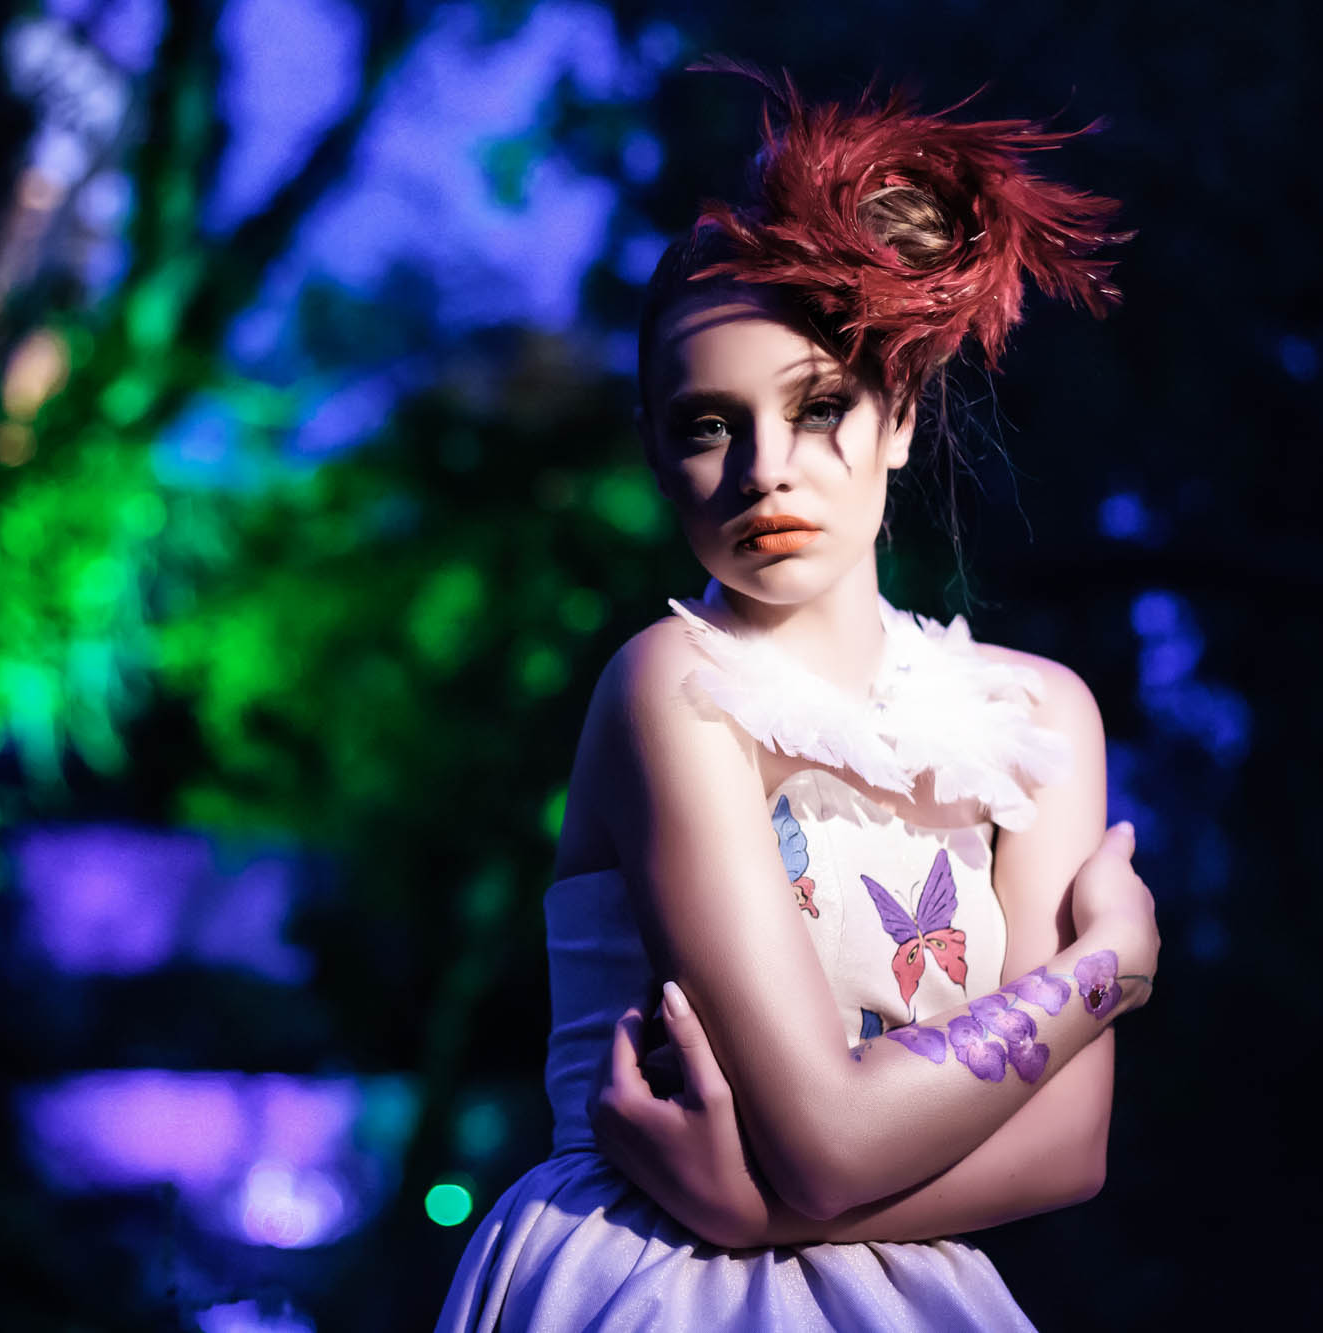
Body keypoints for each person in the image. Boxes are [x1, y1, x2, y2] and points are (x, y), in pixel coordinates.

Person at [436, 68, 1160, 1332]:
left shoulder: (1042, 718)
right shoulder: (669, 687)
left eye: (819, 406)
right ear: (655, 451)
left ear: (899, 418)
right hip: (644, 1283)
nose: (764, 470)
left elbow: (1065, 1153)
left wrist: (755, 1210)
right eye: (706, 425)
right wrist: (1103, 968)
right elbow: (826, 1142)